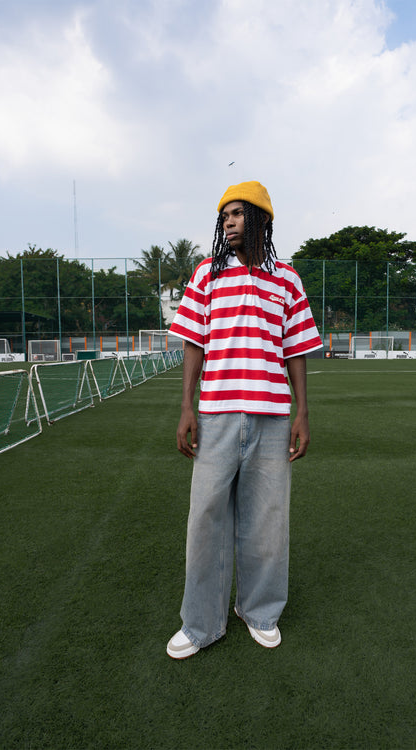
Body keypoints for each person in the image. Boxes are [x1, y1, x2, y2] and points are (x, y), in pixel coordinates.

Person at [166, 180, 322, 659]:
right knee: (205, 520)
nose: (230, 222)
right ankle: (201, 623)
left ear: (261, 220)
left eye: (239, 213)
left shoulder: (287, 280)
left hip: (273, 418)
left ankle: (258, 611)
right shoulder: (206, 275)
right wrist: (187, 406)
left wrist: (303, 411)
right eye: (225, 215)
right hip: (216, 415)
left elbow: (295, 350)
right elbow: (194, 342)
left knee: (267, 522)